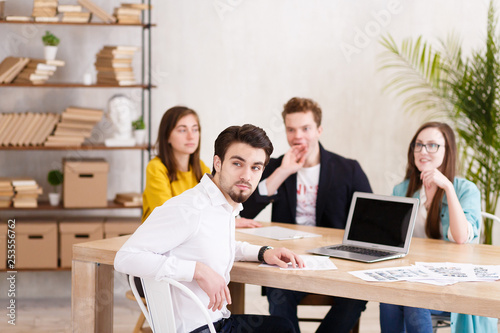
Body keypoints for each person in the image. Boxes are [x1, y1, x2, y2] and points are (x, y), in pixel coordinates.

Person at [115, 124, 305, 333]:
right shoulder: (189, 208)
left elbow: (214, 244)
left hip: (217, 322)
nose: (246, 176)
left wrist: (263, 252)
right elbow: (125, 257)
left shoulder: (221, 206)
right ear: (218, 162)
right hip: (198, 329)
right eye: (237, 163)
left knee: (283, 326)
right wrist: (198, 271)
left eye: (255, 167)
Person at [241, 97, 372, 333]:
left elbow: (368, 221)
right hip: (290, 260)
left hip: (337, 261)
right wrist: (282, 172)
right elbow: (244, 210)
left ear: (319, 130)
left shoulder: (348, 168)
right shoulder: (275, 167)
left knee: (357, 294)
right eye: (291, 129)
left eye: (305, 128)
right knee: (277, 291)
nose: (298, 136)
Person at [379, 122, 498, 333]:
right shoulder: (402, 189)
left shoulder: (465, 190)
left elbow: (461, 238)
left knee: (414, 297)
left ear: (447, 151)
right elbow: (391, 240)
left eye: (432, 145)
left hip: (453, 283)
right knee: (389, 297)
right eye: (419, 145)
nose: (423, 151)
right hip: (411, 277)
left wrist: (448, 188)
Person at [142, 106, 261, 229]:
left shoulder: (200, 167)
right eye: (182, 130)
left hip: (192, 235)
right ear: (167, 136)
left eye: (195, 129)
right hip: (163, 236)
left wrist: (227, 219)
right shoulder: (156, 167)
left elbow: (215, 205)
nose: (191, 136)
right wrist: (228, 221)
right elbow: (169, 216)